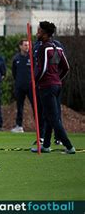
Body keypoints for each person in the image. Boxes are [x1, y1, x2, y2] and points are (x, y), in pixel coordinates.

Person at [31, 21, 75, 154]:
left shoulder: (44, 48)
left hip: (47, 87)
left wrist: (35, 81)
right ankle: (46, 145)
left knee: (54, 118)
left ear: (45, 34)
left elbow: (43, 69)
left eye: (39, 31)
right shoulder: (58, 47)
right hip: (56, 85)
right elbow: (66, 67)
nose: (37, 33)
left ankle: (69, 146)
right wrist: (57, 79)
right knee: (48, 115)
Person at [33, 37, 65, 145]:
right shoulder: (37, 45)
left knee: (54, 113)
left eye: (40, 31)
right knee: (43, 111)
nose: (38, 33)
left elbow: (60, 66)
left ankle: (62, 140)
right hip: (41, 85)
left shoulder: (56, 46)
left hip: (51, 85)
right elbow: (36, 65)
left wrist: (56, 79)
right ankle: (43, 139)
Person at [11, 39, 33, 133]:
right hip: (19, 86)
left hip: (31, 86)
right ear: (20, 46)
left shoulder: (32, 57)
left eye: (28, 45)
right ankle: (19, 126)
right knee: (19, 107)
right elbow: (14, 72)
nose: (27, 47)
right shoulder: (16, 58)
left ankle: (40, 126)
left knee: (35, 106)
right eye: (25, 45)